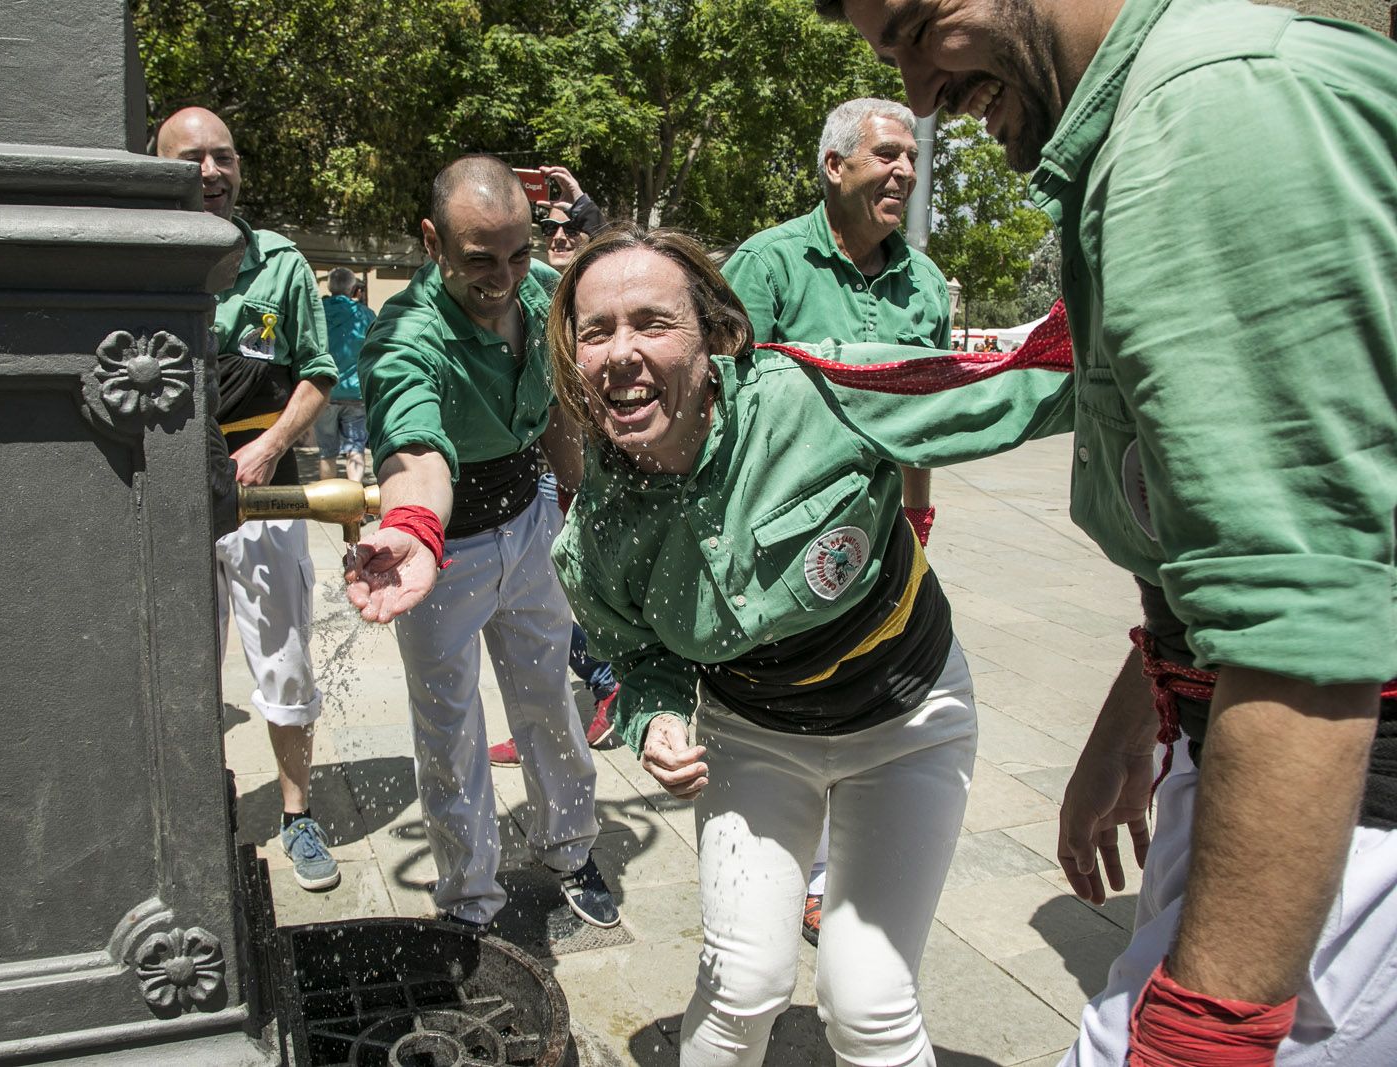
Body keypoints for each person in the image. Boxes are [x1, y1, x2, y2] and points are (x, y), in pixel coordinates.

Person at [817, 1, 1397, 1063]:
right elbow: (1243, 523)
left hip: (1344, 814)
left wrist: (1204, 1031)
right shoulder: (1163, 116)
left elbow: (1305, 613)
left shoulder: (1210, 116)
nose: (920, 93)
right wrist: (1141, 710)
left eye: (917, 28)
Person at [549, 226, 1071, 1067]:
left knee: (867, 1004)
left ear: (714, 335)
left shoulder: (821, 392)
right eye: (596, 330)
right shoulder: (593, 536)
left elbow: (1013, 385)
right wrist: (652, 719)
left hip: (908, 723)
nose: (621, 352)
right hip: (752, 739)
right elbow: (639, 658)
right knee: (740, 988)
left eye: (652, 322)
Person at [346, 153, 619, 931]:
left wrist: (582, 507)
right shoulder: (405, 336)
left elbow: (564, 395)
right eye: (479, 260)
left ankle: (570, 846)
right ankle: (470, 896)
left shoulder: (538, 294)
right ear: (432, 242)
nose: (502, 277)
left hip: (532, 523)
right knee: (450, 730)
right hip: (444, 552)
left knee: (549, 705)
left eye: (518, 254)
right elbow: (414, 447)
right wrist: (415, 528)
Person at [722, 95, 952, 946]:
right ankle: (768, 870)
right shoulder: (769, 265)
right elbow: (725, 408)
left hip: (879, 538)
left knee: (865, 695)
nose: (903, 170)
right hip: (778, 541)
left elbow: (925, 413)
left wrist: (920, 514)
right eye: (886, 155)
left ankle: (825, 880)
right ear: (835, 166)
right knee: (786, 701)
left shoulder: (924, 282)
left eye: (911, 159)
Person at [155, 108, 341, 891]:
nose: (210, 170)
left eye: (223, 156)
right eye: (191, 157)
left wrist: (266, 449)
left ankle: (298, 815)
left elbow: (320, 370)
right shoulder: (140, 260)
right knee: (178, 663)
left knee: (285, 659)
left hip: (269, 492)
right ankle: (196, 813)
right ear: (156, 168)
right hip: (169, 493)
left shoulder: (282, 264)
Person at [487, 165, 621, 769]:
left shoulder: (600, 297)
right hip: (537, 474)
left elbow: (621, 258)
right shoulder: (533, 293)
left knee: (563, 597)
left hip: (595, 470)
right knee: (536, 602)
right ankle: (552, 709)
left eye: (574, 232)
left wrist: (588, 214)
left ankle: (607, 681)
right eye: (553, 232)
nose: (561, 239)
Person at [315, 267, 374, 483]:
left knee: (326, 452)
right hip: (356, 394)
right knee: (355, 449)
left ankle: (326, 504)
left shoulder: (317, 312)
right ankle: (355, 508)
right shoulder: (365, 315)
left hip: (323, 391)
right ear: (353, 288)